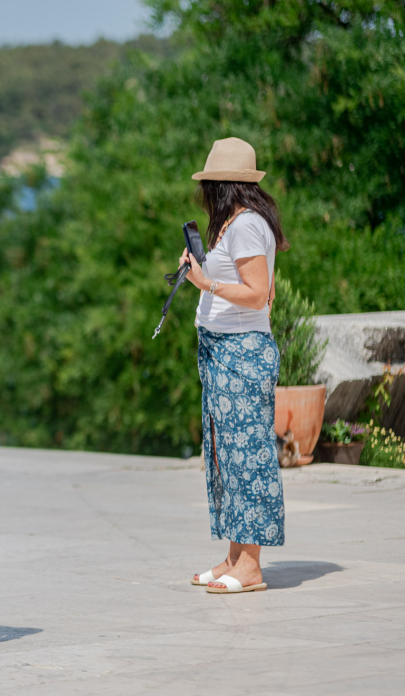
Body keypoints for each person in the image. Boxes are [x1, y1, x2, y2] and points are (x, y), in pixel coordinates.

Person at [181, 137, 290, 594]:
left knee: (248, 459)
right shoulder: (233, 224)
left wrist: (206, 284)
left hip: (242, 353)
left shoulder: (245, 226)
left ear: (221, 185)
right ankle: (234, 557)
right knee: (226, 458)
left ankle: (251, 566)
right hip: (223, 352)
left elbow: (258, 293)